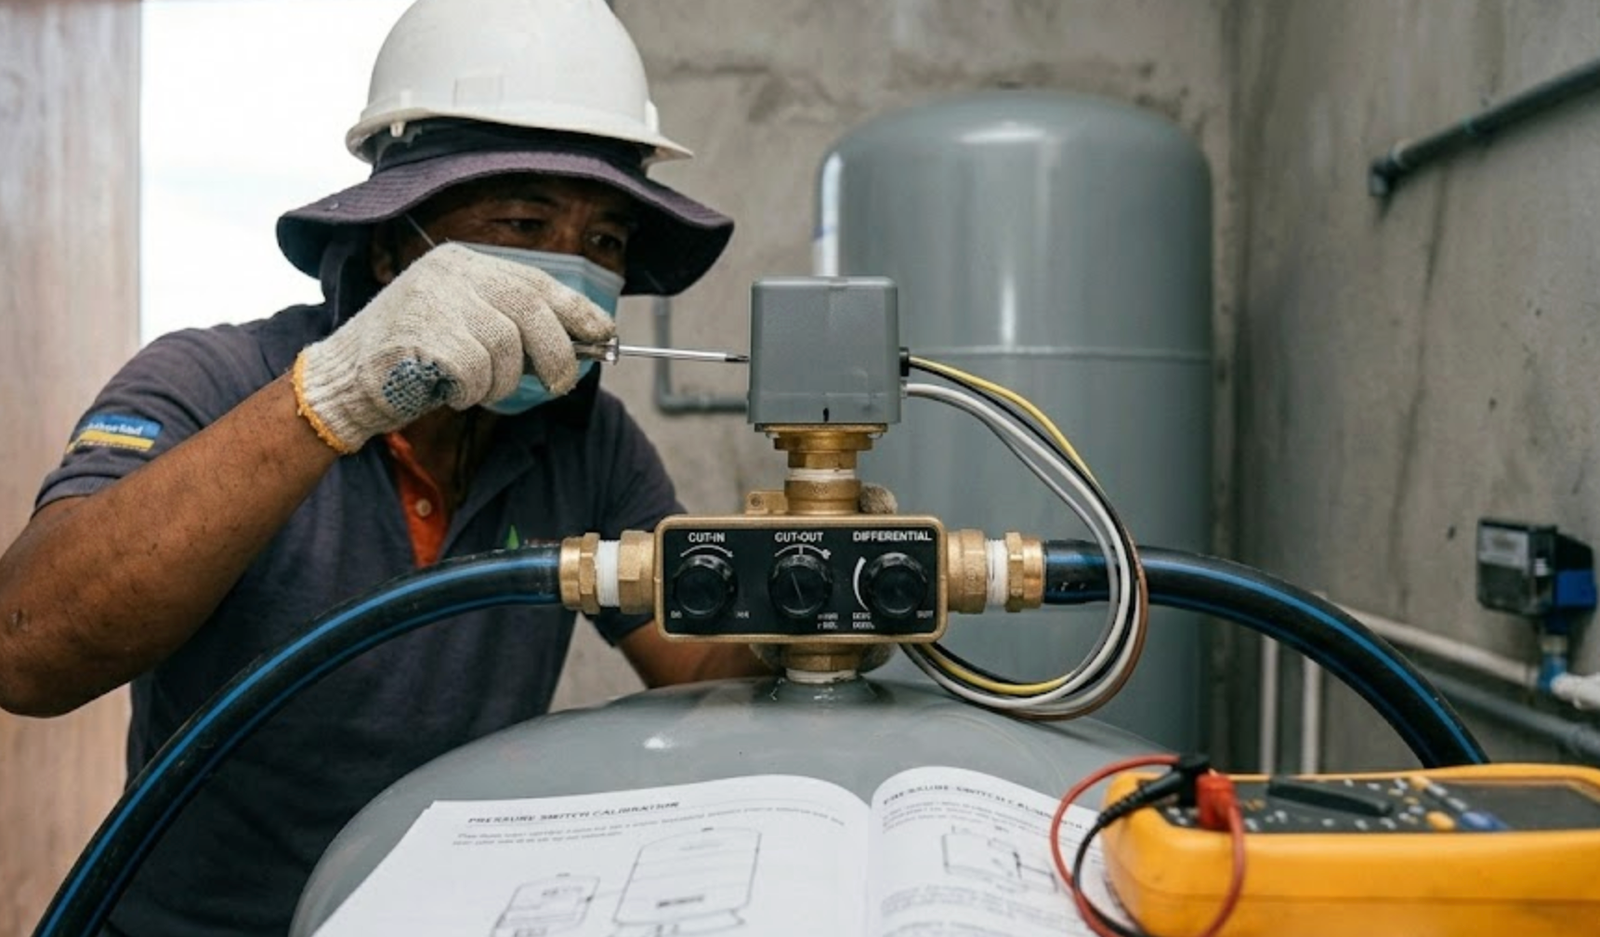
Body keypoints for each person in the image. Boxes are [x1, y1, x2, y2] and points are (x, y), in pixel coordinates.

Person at [0, 0, 767, 933]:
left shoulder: (586, 444)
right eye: (523, 221)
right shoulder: (213, 380)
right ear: (395, 241)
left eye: (602, 241)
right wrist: (335, 400)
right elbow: (26, 650)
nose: (568, 269)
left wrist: (811, 598)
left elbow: (700, 663)